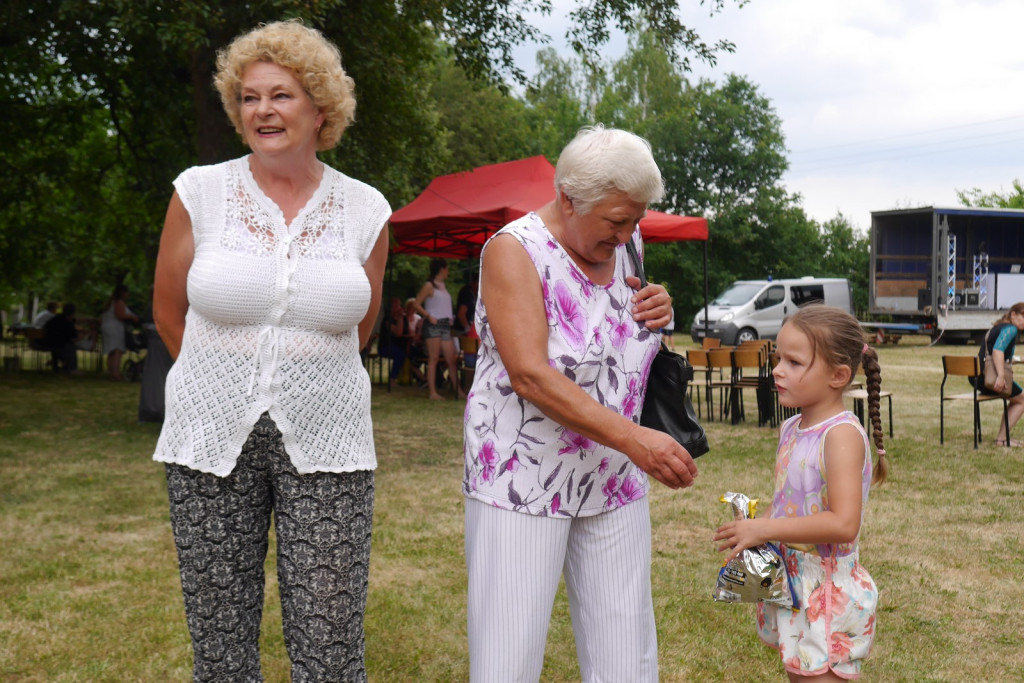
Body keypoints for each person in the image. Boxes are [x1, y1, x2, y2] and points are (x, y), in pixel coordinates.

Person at [151, 20, 390, 682]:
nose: (263, 110)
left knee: (330, 633)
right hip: (208, 435)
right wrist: (220, 379)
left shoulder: (366, 209)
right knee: (221, 635)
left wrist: (302, 374)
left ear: (321, 107)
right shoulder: (199, 192)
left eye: (281, 95)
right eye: (249, 97)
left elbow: (360, 327)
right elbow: (169, 312)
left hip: (330, 433)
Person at [462, 125, 698, 682]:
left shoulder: (626, 244)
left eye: (634, 221)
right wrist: (637, 439)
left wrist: (658, 305)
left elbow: (621, 322)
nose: (626, 235)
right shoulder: (513, 251)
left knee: (625, 649)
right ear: (568, 198)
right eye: (616, 221)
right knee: (509, 650)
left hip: (613, 474)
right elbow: (530, 375)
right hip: (524, 477)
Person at [714, 305, 888, 681]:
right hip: (792, 580)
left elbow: (843, 524)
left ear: (838, 375)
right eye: (779, 358)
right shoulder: (791, 427)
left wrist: (765, 529)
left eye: (794, 362)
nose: (777, 369)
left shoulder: (840, 436)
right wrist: (755, 531)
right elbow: (792, 505)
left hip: (826, 590)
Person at [970, 302, 1024, 446]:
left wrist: (1019, 360)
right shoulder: (1011, 329)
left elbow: (996, 353)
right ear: (1013, 314)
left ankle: (1002, 438)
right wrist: (1000, 376)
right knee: (1022, 400)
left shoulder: (998, 327)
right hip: (991, 377)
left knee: (1018, 398)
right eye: (1023, 317)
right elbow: (997, 351)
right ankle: (1001, 439)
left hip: (977, 377)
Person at [412, 258, 465, 400]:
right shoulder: (429, 285)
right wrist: (428, 316)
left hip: (445, 326)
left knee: (451, 359)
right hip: (433, 325)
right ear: (442, 269)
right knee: (434, 358)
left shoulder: (443, 286)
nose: (448, 271)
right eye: (447, 268)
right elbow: (416, 304)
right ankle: (433, 393)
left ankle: (458, 390)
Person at [100, 284, 141, 381]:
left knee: (112, 352)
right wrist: (132, 317)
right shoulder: (119, 303)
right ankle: (116, 374)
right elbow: (120, 315)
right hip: (115, 328)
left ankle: (111, 372)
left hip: (107, 327)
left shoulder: (110, 303)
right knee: (117, 351)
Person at [378, 297, 409, 389]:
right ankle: (392, 379)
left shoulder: (404, 319)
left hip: (401, 346)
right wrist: (400, 317)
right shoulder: (388, 320)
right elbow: (398, 333)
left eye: (399, 305)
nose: (398, 307)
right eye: (395, 306)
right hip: (386, 347)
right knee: (400, 354)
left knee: (410, 353)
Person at [42, 303, 80, 373]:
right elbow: (73, 338)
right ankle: (72, 368)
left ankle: (59, 363)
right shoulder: (68, 323)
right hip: (58, 345)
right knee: (70, 347)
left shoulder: (56, 318)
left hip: (46, 342)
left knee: (65, 346)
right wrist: (83, 336)